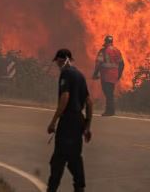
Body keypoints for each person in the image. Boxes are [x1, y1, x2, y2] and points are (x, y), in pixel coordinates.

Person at [46, 48, 92, 192]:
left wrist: (53, 121)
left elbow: (65, 97)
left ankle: (51, 189)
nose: (58, 65)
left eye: (58, 61)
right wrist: (87, 127)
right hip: (79, 120)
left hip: (68, 122)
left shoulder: (66, 74)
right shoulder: (80, 75)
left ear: (63, 59)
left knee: (58, 160)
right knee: (75, 158)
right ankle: (80, 188)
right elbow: (89, 102)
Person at [92, 35, 125, 117]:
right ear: (112, 42)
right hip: (114, 76)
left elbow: (98, 64)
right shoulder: (117, 50)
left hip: (105, 76)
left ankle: (109, 111)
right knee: (110, 93)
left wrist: (95, 74)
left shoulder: (102, 51)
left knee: (108, 93)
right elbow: (122, 64)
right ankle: (111, 110)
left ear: (106, 42)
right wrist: (119, 74)